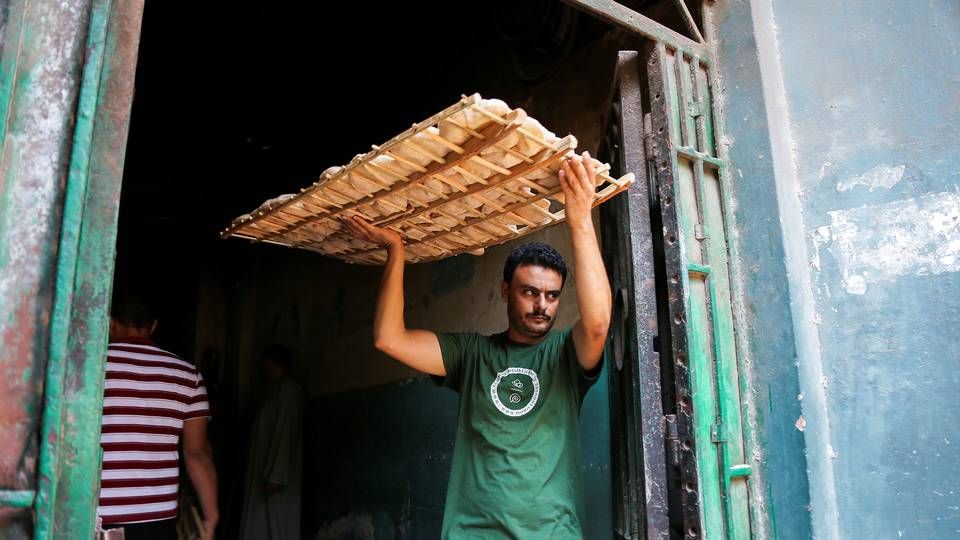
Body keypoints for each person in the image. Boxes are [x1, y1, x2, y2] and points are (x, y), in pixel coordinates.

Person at [344, 151, 612, 538]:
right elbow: (389, 339)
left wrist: (580, 217)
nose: (541, 305)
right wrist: (395, 251)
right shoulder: (472, 354)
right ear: (506, 292)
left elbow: (599, 323)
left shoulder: (564, 357)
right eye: (530, 292)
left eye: (552, 296)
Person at [98, 290, 218, 539]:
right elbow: (196, 452)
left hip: (97, 511)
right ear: (153, 326)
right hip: (157, 516)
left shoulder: (93, 366)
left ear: (110, 324)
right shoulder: (189, 375)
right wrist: (211, 513)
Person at [239, 344, 304, 540]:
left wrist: (276, 476)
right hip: (264, 476)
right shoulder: (274, 392)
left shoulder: (289, 390)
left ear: (272, 362)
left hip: (276, 481)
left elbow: (284, 433)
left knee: (276, 527)